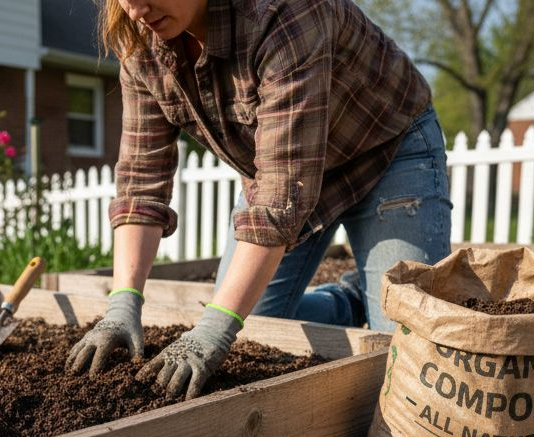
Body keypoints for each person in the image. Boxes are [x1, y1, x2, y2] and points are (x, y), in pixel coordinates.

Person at [65, 0, 451, 398]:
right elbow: (142, 178)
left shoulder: (281, 12)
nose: (136, 8)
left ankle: (376, 306)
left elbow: (280, 197)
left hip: (385, 149)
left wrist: (213, 330)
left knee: (409, 348)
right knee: (255, 323)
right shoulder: (141, 41)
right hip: (279, 173)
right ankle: (349, 302)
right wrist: (123, 302)